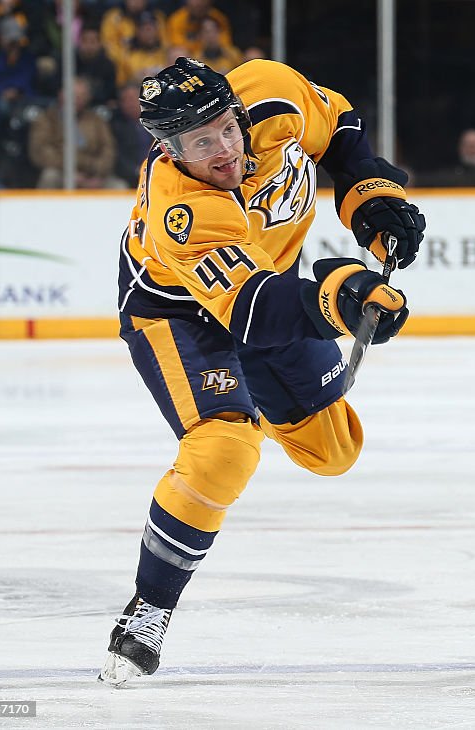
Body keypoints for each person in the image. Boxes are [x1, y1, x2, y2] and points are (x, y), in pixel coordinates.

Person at [99, 57, 425, 685]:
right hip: (179, 313)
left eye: (226, 128)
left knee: (333, 452)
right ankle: (149, 610)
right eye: (200, 143)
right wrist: (340, 295)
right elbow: (251, 311)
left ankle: (255, 401)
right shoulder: (183, 208)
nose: (223, 150)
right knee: (225, 448)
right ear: (169, 150)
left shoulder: (272, 94)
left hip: (270, 291)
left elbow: (340, 129)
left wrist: (372, 197)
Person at [28, 75, 125, 189]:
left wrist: (95, 171)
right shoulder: (46, 119)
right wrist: (72, 170)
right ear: (61, 95)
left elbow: (108, 150)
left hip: (93, 175)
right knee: (49, 177)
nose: (76, 100)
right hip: (61, 172)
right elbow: (40, 151)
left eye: (81, 96)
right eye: (72, 95)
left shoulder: (97, 121)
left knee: (118, 186)